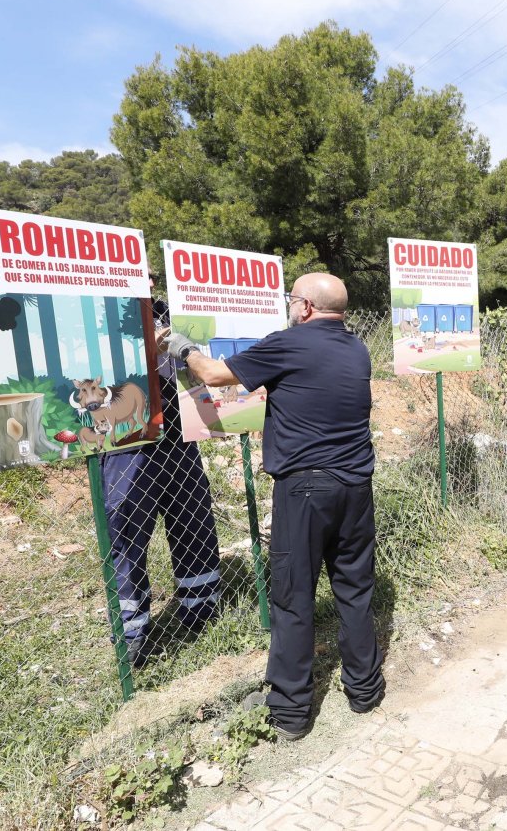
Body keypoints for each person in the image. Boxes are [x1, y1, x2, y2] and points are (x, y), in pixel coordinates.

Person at [159, 273, 384, 739]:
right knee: (356, 590)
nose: (287, 306)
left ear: (304, 307)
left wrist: (180, 346)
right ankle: (365, 690)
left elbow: (215, 375)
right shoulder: (357, 348)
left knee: (293, 597)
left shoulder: (290, 343)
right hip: (356, 488)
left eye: (290, 299)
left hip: (305, 491)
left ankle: (290, 711)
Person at [101, 299, 223, 669]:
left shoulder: (168, 311)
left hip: (179, 439)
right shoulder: (105, 314)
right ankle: (132, 632)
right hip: (129, 440)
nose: (147, 281)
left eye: (149, 274)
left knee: (194, 522)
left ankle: (202, 611)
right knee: (125, 532)